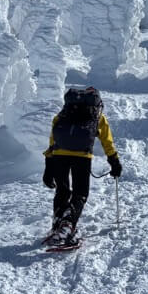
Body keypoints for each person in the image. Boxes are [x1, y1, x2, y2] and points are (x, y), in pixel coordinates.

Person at [42, 86, 121, 244]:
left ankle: (57, 225)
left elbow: (53, 137)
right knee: (80, 193)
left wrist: (48, 165)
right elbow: (107, 141)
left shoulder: (63, 114)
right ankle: (68, 225)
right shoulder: (98, 117)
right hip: (82, 156)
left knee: (62, 191)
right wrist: (114, 161)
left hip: (58, 154)